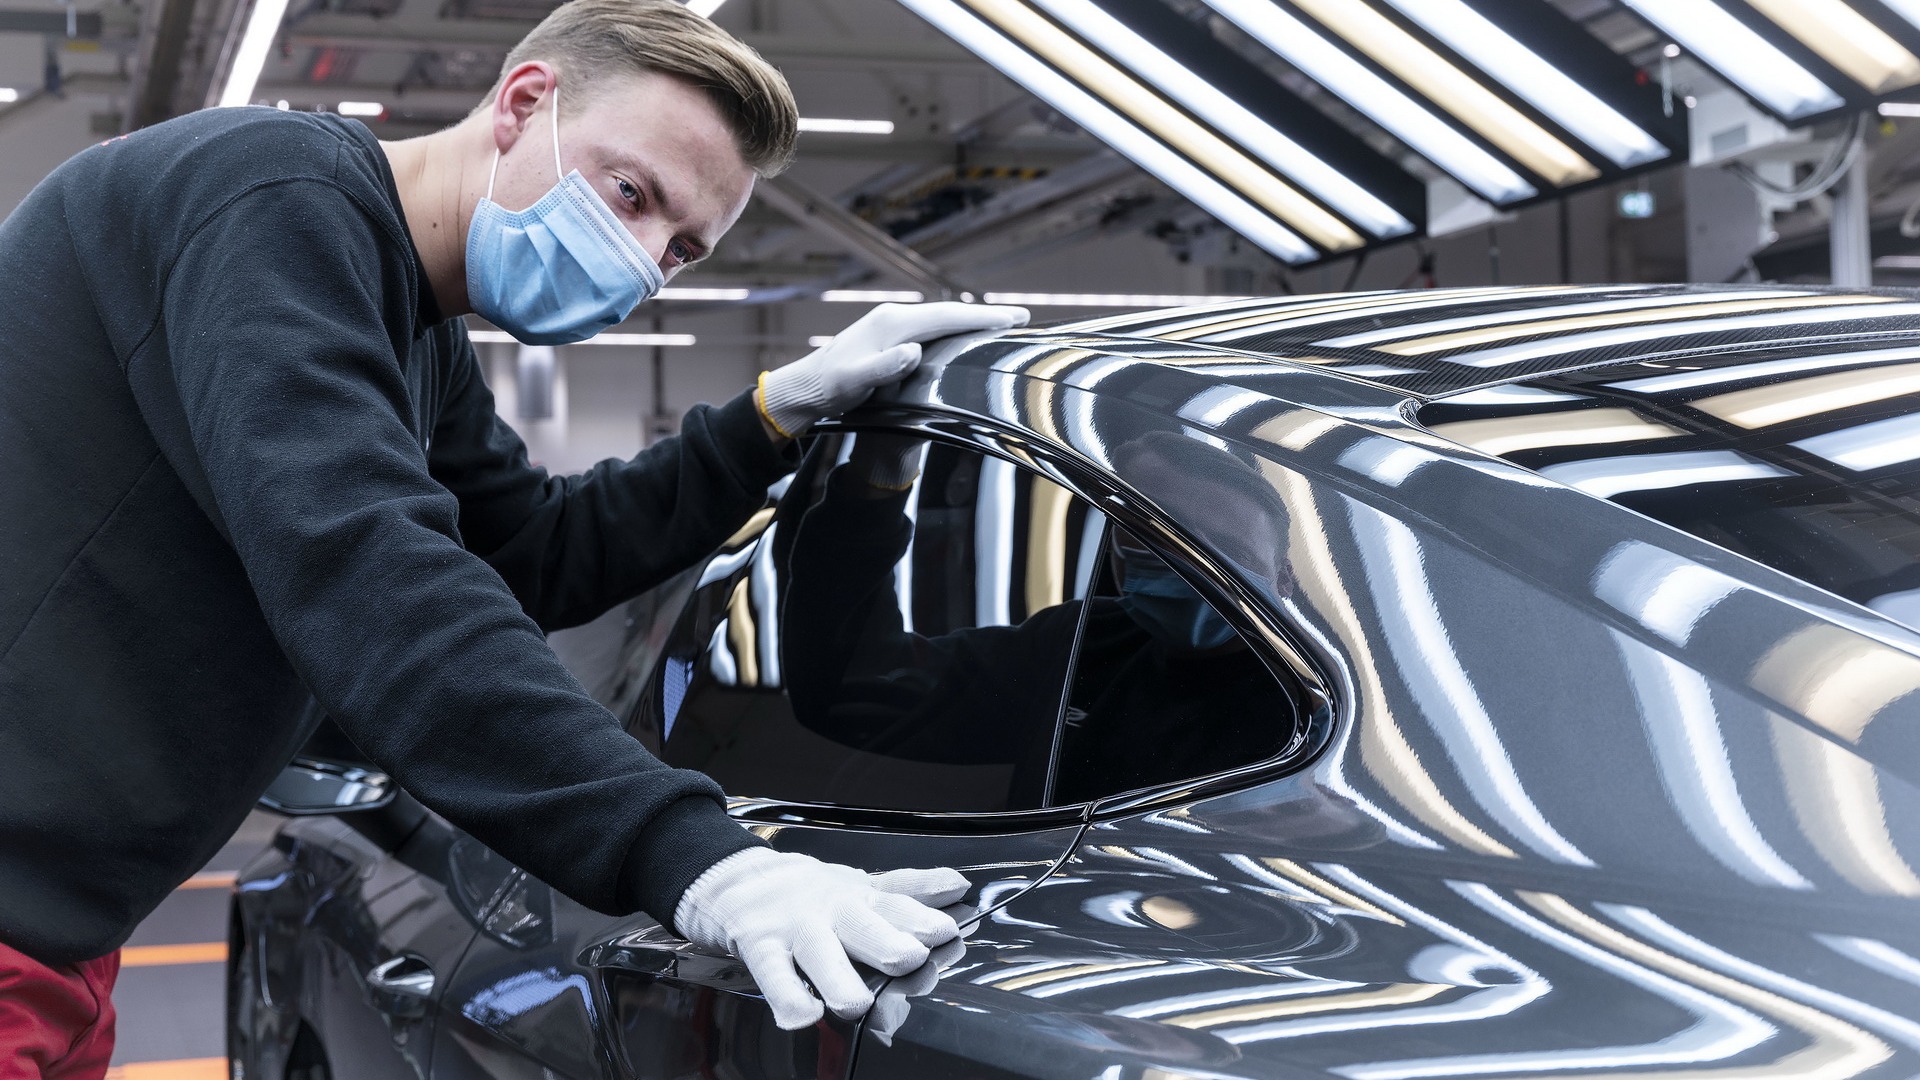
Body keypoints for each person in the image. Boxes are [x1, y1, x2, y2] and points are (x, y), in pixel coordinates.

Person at [0, 0, 1027, 1070]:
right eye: (632, 194)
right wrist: (698, 857)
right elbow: (374, 579)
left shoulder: (418, 332)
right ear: (524, 102)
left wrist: (770, 417)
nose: (643, 263)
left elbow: (536, 550)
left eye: (681, 249)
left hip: (63, 938)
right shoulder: (269, 199)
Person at [778, 432, 1304, 808]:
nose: (1188, 569)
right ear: (1114, 550)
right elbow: (856, 687)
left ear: (1284, 577)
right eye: (1153, 540)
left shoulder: (1322, 704)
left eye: (1226, 552)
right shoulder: (1079, 646)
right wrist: (875, 485)